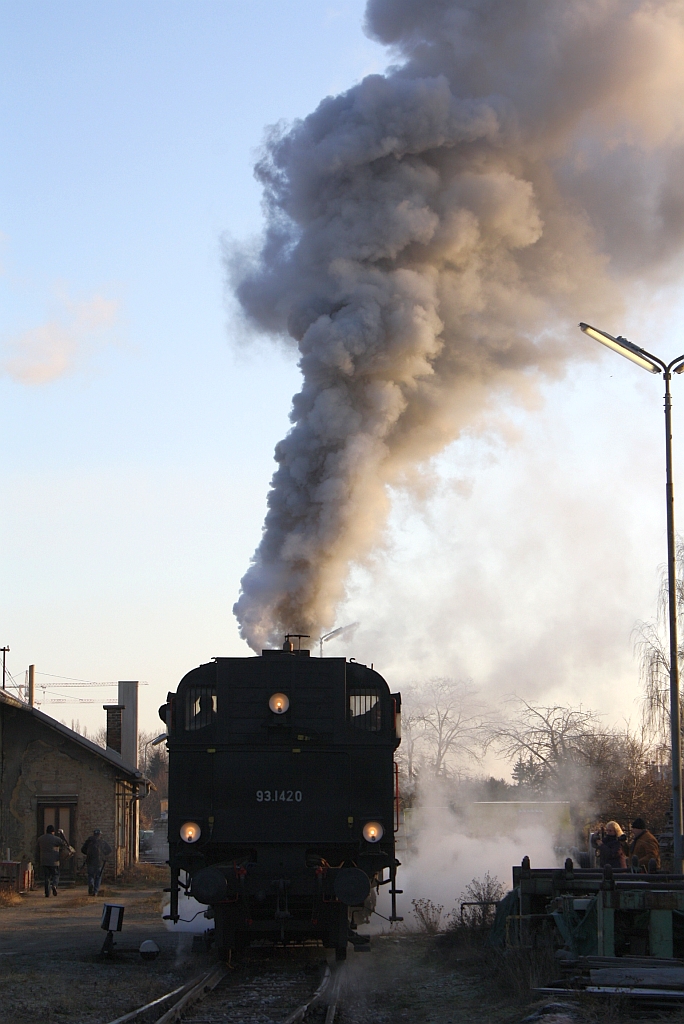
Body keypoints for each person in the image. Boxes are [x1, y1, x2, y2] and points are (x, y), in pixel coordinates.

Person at [37, 824, 73, 897]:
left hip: (44, 860)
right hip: (54, 861)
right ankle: (54, 885)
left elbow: (37, 847)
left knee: (46, 877)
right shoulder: (56, 839)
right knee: (55, 875)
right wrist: (62, 835)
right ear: (53, 832)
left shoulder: (41, 838)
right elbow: (65, 845)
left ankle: (47, 892)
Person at [81, 828, 112, 896]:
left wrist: (88, 854)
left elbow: (82, 849)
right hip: (99, 862)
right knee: (98, 876)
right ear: (100, 835)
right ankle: (95, 891)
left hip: (90, 861)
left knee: (90, 875)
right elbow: (110, 849)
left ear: (93, 834)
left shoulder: (89, 841)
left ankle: (91, 884)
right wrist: (103, 854)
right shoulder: (102, 841)